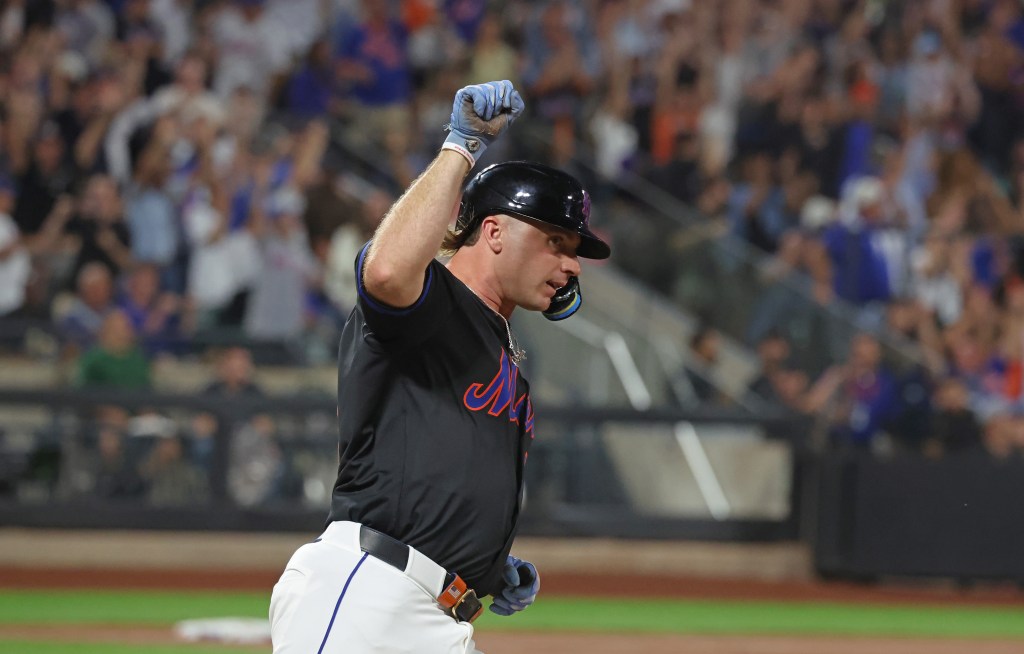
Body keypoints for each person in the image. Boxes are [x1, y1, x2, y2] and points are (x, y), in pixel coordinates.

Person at [269, 80, 610, 653]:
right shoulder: (433, 303)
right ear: (494, 231)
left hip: (434, 611)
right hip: (369, 594)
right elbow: (385, 273)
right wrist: (461, 145)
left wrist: (483, 558)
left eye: (573, 248)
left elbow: (443, 467)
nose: (570, 263)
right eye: (555, 241)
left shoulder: (495, 346)